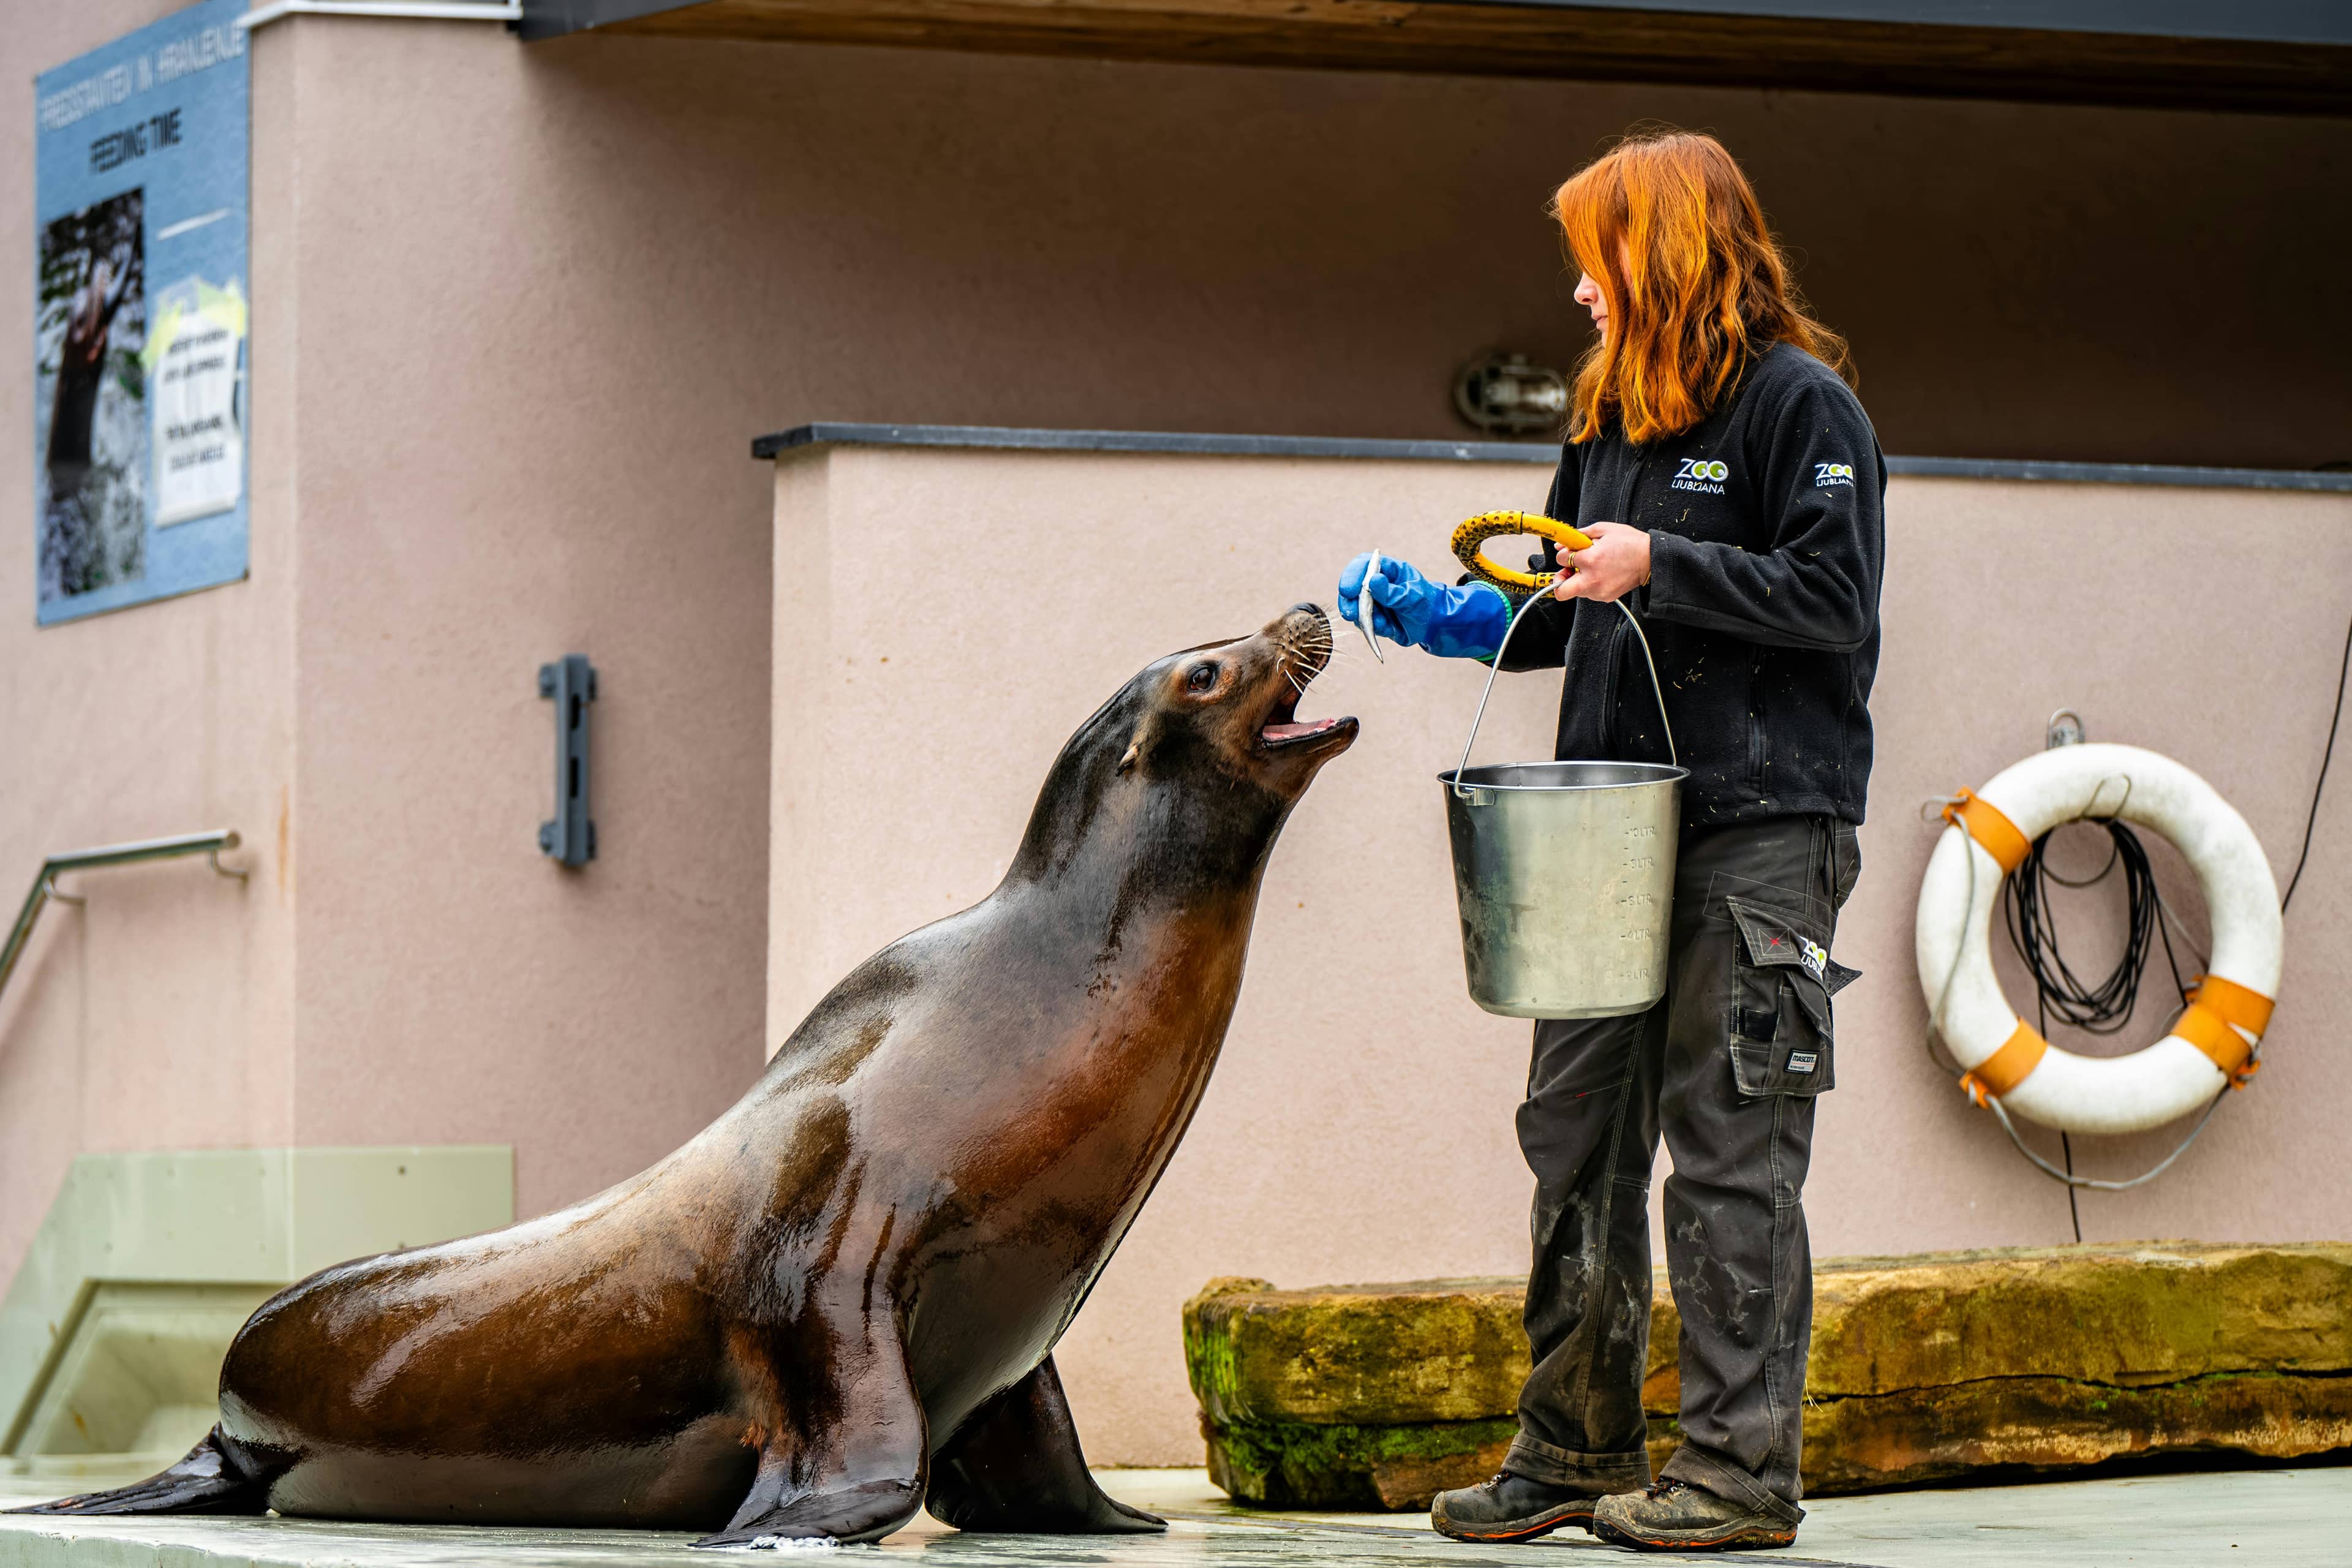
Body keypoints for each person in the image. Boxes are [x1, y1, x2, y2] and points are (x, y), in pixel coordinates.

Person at [1336, 129, 1883, 1553]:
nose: (1580, 291)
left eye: (1596, 257)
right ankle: (1574, 1445)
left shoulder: (1800, 407)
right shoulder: (1611, 416)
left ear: (1669, 247)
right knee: (1574, 1133)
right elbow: (1578, 598)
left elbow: (1834, 599)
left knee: (1730, 1145)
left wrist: (1668, 563)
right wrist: (1451, 615)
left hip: (1762, 831)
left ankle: (1738, 1473)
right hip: (1609, 825)